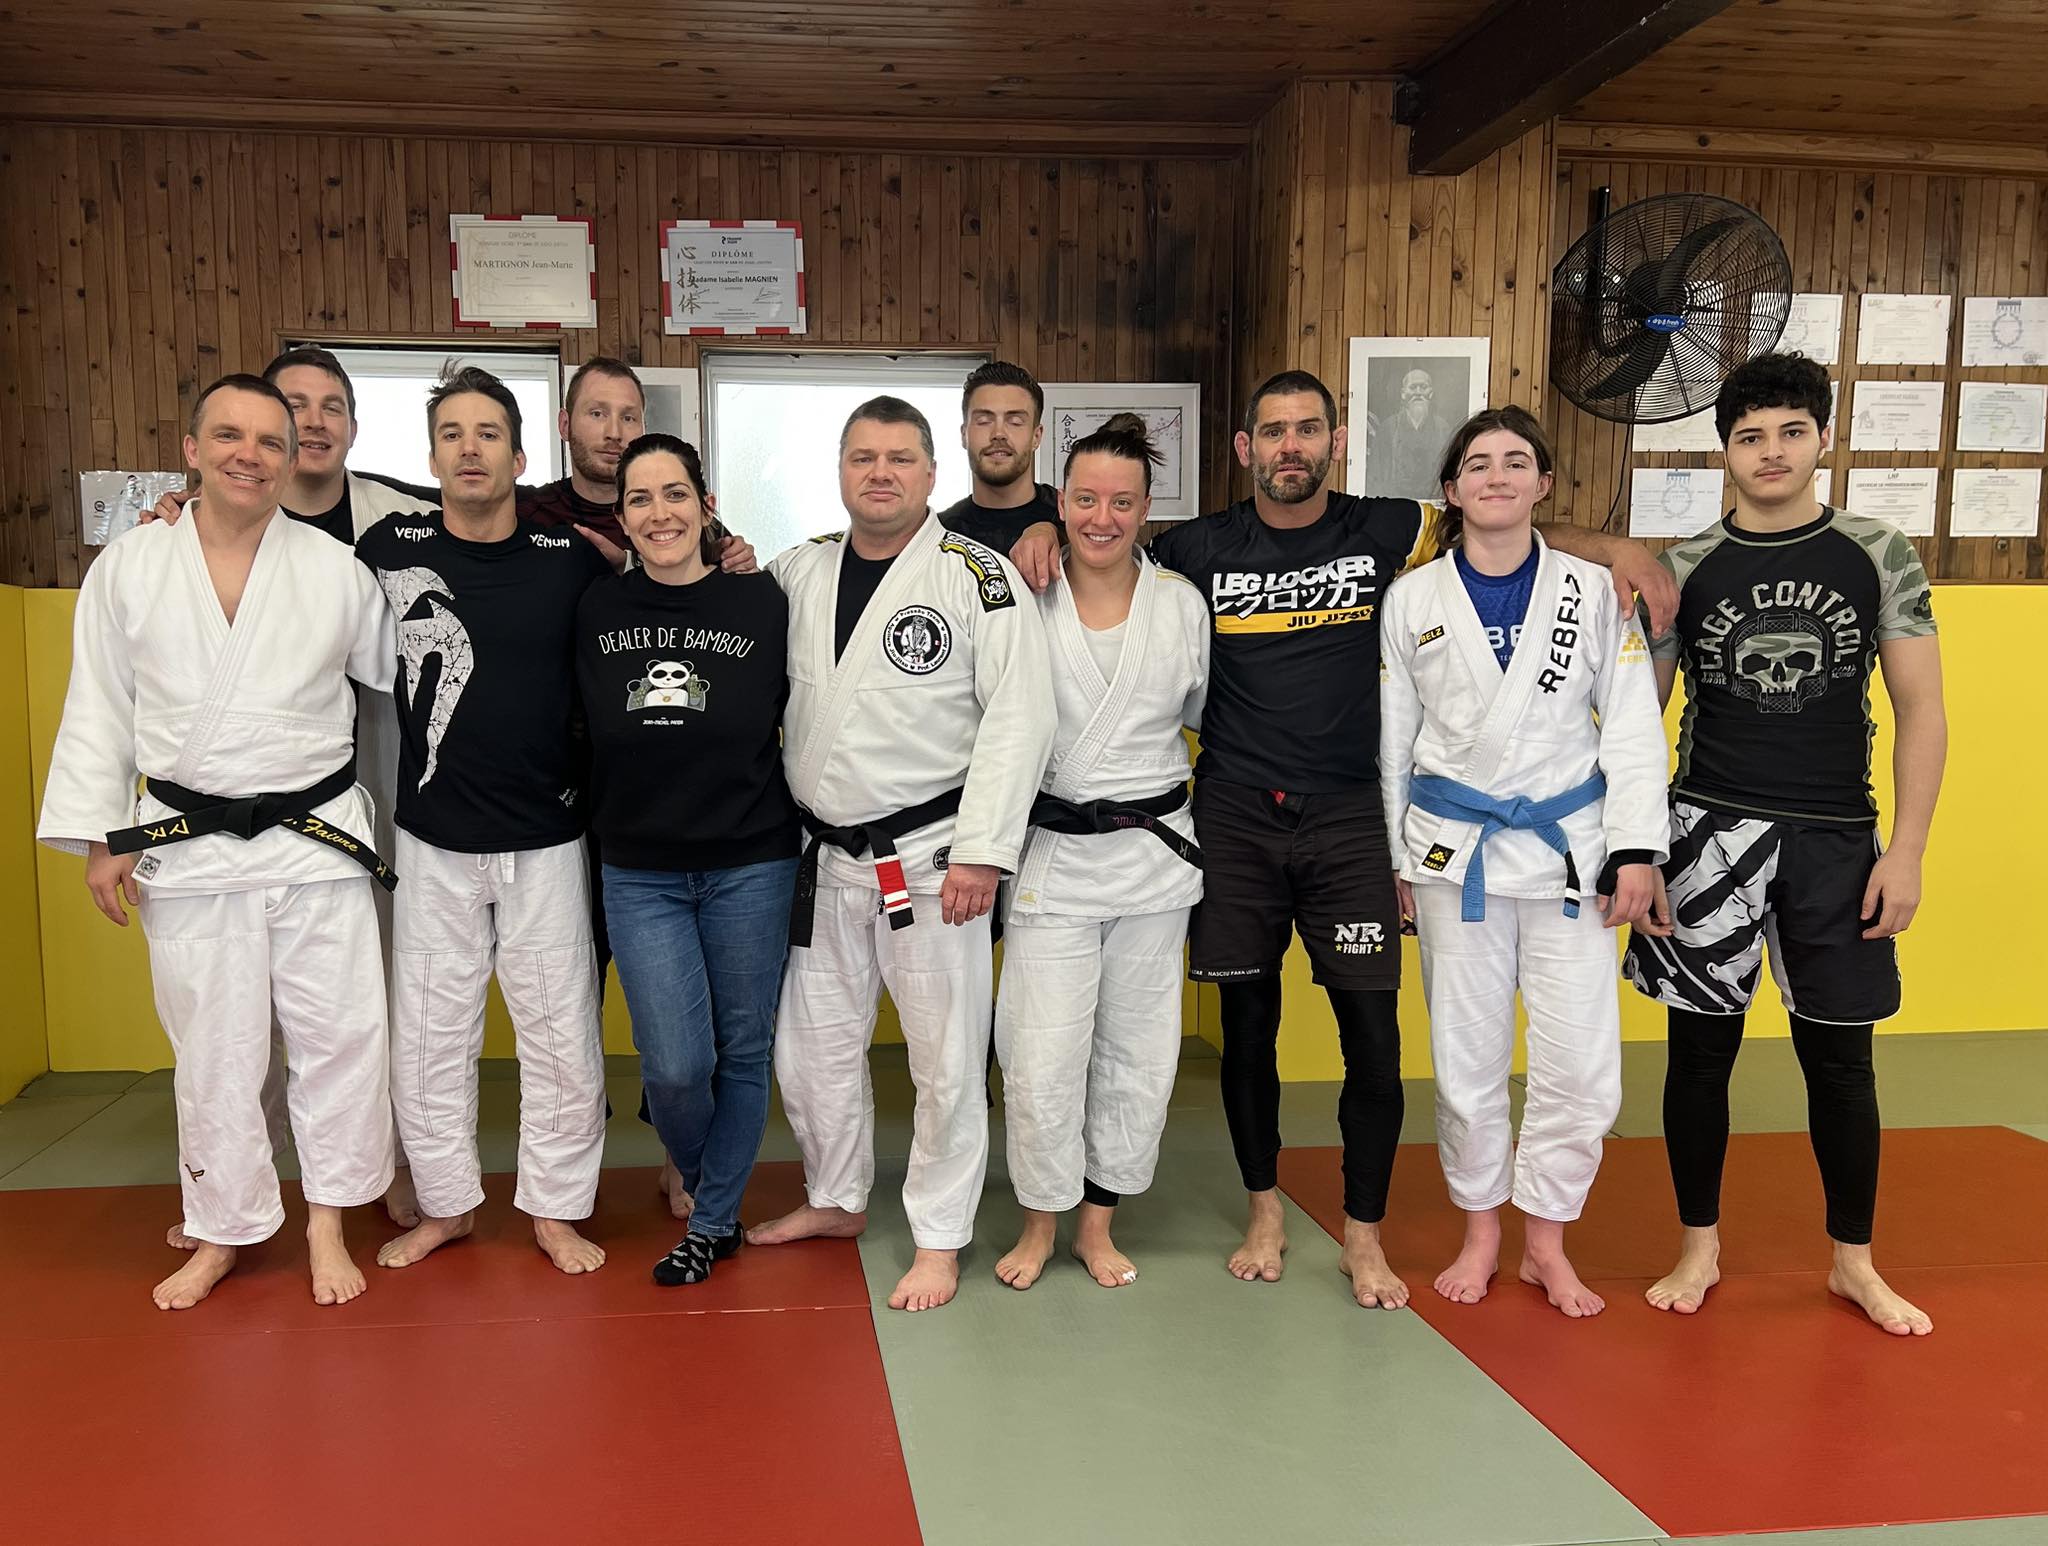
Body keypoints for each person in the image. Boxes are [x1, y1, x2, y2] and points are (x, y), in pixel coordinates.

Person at [1010, 369, 1676, 1309]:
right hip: (1237, 812)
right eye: (1272, 431)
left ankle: (1364, 1234)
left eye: (1307, 430)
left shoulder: (1380, 528)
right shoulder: (1198, 546)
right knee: (1248, 1031)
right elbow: (1099, 536)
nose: (1290, 446)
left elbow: (1496, 516)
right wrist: (1038, 523)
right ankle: (1265, 1208)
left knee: (1371, 1032)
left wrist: (1615, 548)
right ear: (1244, 449)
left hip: (1351, 817)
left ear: (1335, 442)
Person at [38, 373, 397, 1310]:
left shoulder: (334, 569)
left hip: (315, 842)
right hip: (188, 847)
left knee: (338, 1039)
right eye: (230, 436)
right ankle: (222, 1229)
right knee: (215, 1051)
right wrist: (98, 837)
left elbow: (409, 678)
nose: (252, 454)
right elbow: (99, 708)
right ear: (191, 450)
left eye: (271, 441)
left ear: (293, 460)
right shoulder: (131, 564)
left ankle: (327, 1222)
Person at [1622, 352, 1946, 1336]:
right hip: (1704, 831)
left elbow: (1921, 705)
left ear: (1821, 438)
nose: (1769, 452)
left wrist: (1908, 850)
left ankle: (1852, 1259)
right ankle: (1697, 1242)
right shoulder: (1684, 565)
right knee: (1697, 1054)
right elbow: (1637, 721)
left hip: (1836, 840)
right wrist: (1637, 849)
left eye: (1788, 432)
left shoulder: (1876, 550)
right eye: (1749, 436)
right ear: (1722, 451)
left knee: (1840, 1062)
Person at [746, 396, 1055, 1312]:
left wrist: (983, 853)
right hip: (818, 857)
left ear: (932, 473)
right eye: (862, 457)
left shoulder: (977, 576)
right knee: (810, 1050)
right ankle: (836, 1197)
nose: (880, 473)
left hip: (929, 859)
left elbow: (1020, 719)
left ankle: (938, 1234)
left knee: (945, 1058)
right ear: (840, 471)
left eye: (900, 458)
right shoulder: (795, 570)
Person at [1379, 406, 1670, 1317]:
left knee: (1582, 1064)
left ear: (1544, 484)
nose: (1495, 477)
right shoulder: (1412, 598)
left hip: (1567, 856)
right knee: (1466, 1058)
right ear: (1451, 490)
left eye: (1515, 463)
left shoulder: (1591, 590)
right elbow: (1394, 744)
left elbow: (1628, 726)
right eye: (1477, 464)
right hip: (1449, 853)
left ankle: (1548, 1239)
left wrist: (1636, 851)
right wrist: (1395, 859)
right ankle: (1482, 1229)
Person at [155, 345, 431, 1248]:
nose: (309, 424)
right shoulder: (167, 544)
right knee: (228, 1024)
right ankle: (237, 1192)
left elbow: (487, 536)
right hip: (219, 803)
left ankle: (369, 1172)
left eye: (329, 409)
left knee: (352, 1003)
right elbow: (114, 697)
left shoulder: (391, 518)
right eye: (290, 409)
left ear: (350, 427)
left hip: (358, 781)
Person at [354, 366, 614, 1276]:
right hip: (433, 837)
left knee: (559, 1034)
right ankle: (447, 1205)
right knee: (429, 1030)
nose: (470, 448)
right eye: (453, 434)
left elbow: (655, 596)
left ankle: (554, 1209)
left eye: (488, 433)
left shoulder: (570, 558)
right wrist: (177, 512)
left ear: (520, 453)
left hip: (547, 837)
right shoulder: (389, 546)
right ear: (431, 455)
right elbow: (287, 552)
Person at [575, 434, 801, 1285]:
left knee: (743, 1048)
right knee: (674, 1065)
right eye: (640, 498)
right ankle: (716, 1187)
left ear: (707, 507)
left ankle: (710, 1222)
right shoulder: (596, 609)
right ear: (621, 516)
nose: (659, 512)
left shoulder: (764, 601)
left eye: (676, 494)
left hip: (752, 858)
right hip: (639, 869)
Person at [990, 414, 1208, 1291]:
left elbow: (1202, 718)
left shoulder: (1182, 605)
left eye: (1122, 501)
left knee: (1139, 1049)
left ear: (1147, 508)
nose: (1102, 517)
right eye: (1085, 498)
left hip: (1155, 860)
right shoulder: (1020, 593)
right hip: (1054, 853)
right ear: (1059, 501)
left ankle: (1096, 1221)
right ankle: (1037, 1223)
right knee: (1039, 1049)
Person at [935, 360, 1063, 555]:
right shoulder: (939, 534)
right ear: (964, 435)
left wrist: (1055, 531)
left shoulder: (1071, 518)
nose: (999, 433)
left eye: (1015, 422)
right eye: (984, 421)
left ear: (1036, 437)